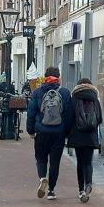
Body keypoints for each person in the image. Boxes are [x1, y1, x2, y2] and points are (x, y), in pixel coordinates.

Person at [26, 66, 73, 200]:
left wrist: (30, 130)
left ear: (45, 77)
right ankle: (51, 191)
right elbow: (69, 114)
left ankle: (42, 178)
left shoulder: (37, 92)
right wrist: (67, 132)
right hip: (58, 133)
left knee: (41, 159)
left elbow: (31, 113)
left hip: (41, 132)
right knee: (55, 162)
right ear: (58, 77)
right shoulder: (64, 93)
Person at [68, 78, 103, 203]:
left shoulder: (74, 99)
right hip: (90, 136)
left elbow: (69, 118)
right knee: (88, 162)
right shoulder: (95, 99)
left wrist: (68, 134)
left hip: (77, 136)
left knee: (80, 162)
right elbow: (99, 118)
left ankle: (81, 190)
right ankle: (89, 183)